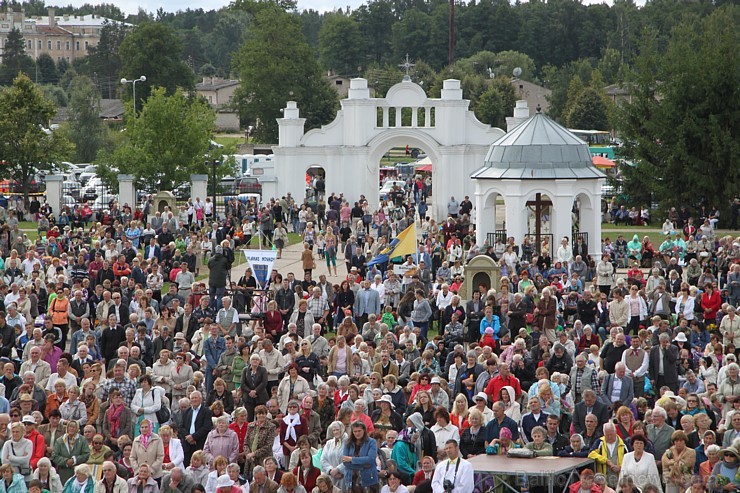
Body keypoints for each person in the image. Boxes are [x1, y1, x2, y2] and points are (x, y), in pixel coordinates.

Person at [341, 421, 379, 493]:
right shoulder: (347, 442)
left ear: (364, 430)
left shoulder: (371, 442)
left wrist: (352, 459)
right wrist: (363, 466)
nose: (357, 433)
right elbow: (345, 462)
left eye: (359, 431)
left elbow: (371, 459)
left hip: (368, 479)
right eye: (355, 431)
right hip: (351, 479)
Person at [178, 391, 214, 466]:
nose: (194, 400)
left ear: (200, 399)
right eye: (192, 398)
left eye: (196, 398)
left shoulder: (206, 411)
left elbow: (207, 427)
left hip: (200, 443)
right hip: (187, 444)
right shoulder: (186, 412)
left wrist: (194, 437)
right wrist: (188, 437)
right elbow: (181, 427)